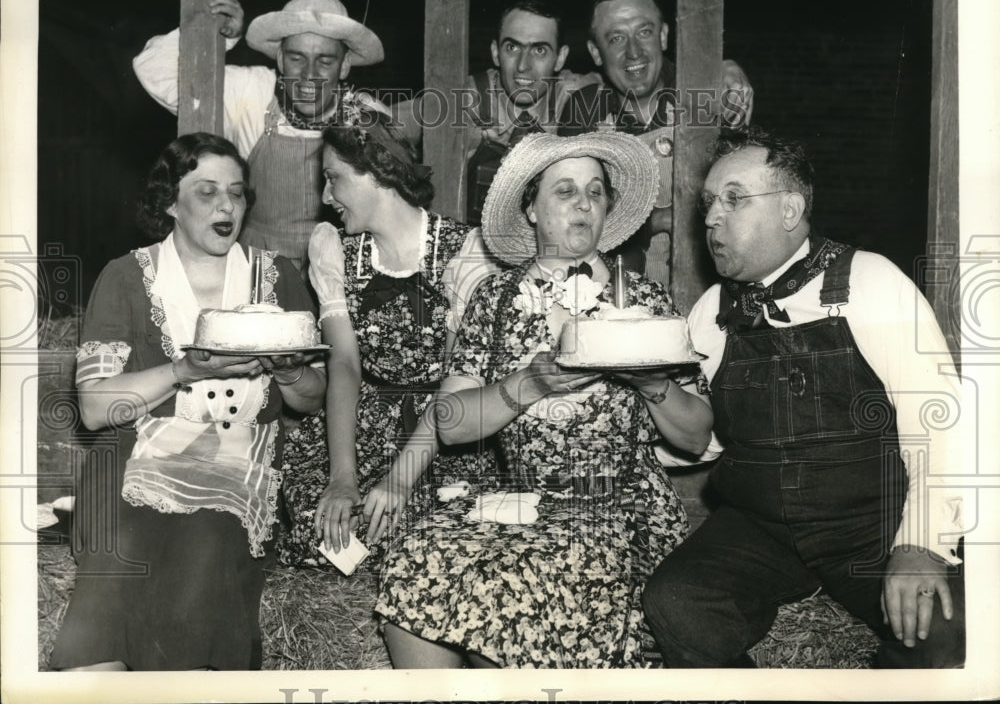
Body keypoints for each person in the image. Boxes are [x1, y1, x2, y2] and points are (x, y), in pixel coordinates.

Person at [374, 131, 714, 668]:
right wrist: (528, 385)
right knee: (415, 559)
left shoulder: (644, 301)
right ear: (530, 208)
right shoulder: (496, 297)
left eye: (596, 191)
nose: (583, 202)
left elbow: (696, 436)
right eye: (564, 190)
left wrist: (649, 380)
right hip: (520, 500)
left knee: (522, 585)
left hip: (614, 506)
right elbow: (451, 423)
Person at [641, 127, 966, 668]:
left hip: (871, 526)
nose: (711, 218)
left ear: (790, 209)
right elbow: (702, 441)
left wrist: (921, 545)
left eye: (734, 199)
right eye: (708, 203)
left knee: (945, 647)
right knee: (676, 604)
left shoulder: (869, 281)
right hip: (761, 525)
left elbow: (942, 422)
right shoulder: (712, 311)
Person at [49, 133, 326, 671]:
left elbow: (310, 400)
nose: (226, 205)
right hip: (131, 464)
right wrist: (184, 370)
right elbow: (95, 409)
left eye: (237, 193)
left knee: (207, 542)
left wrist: (291, 371)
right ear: (170, 204)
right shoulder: (126, 278)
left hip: (234, 468)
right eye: (206, 192)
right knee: (117, 556)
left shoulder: (278, 278)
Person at [277, 103, 500, 569]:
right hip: (363, 422)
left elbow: (461, 383)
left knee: (428, 527)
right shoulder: (335, 251)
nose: (326, 194)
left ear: (375, 171)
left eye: (333, 177)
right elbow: (345, 366)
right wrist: (343, 476)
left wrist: (399, 479)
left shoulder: (467, 252)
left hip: (443, 431)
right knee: (317, 518)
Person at [133, 0, 385, 269]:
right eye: (296, 58)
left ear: (345, 65)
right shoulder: (251, 92)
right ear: (279, 58)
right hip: (255, 269)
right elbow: (151, 67)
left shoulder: (367, 115)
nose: (309, 75)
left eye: (325, 61)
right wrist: (220, 36)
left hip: (339, 272)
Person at [558, 0, 754, 287]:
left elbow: (745, 203)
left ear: (663, 35)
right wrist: (659, 219)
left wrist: (725, 68)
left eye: (644, 32)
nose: (633, 52)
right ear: (596, 52)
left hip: (706, 292)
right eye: (616, 38)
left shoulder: (707, 94)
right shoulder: (585, 110)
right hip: (615, 295)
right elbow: (572, 217)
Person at [391, 0, 600, 226]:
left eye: (539, 50)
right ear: (495, 52)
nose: (523, 66)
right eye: (512, 48)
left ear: (560, 58)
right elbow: (388, 121)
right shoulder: (466, 99)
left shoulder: (575, 95)